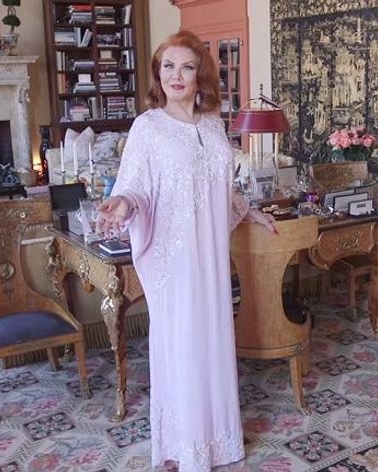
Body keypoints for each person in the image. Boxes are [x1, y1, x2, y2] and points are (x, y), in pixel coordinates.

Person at [96, 30, 276, 471]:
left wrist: (248, 211)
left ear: (200, 75)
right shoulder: (148, 127)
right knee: (183, 346)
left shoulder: (214, 124)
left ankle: (218, 441)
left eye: (187, 67)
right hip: (173, 261)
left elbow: (219, 186)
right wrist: (123, 203)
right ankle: (186, 445)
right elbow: (135, 186)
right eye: (168, 66)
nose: (176, 75)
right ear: (158, 73)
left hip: (210, 258)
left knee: (213, 342)